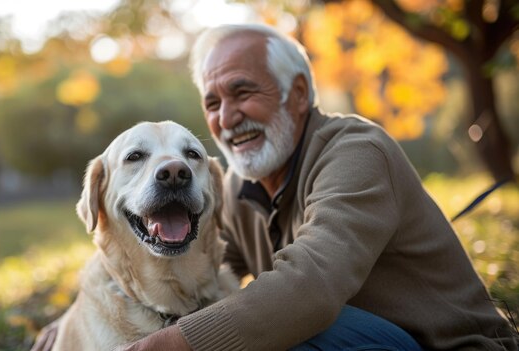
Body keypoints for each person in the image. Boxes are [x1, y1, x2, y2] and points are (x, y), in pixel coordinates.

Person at [34, 24, 519, 351]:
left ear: (299, 94)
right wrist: (77, 321)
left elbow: (308, 289)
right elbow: (205, 266)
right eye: (213, 101)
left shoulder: (357, 153)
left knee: (287, 325)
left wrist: (175, 343)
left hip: (440, 345)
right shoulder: (237, 186)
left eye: (243, 91)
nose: (228, 117)